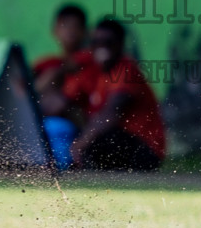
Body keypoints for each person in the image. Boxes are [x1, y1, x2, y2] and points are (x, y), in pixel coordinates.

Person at [70, 18, 165, 172]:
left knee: (99, 139)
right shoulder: (96, 71)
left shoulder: (126, 70)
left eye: (108, 42)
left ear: (120, 44)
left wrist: (80, 144)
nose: (101, 47)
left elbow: (111, 114)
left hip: (146, 148)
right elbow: (66, 99)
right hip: (123, 142)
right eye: (96, 42)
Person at [31, 3, 93, 169]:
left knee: (55, 127)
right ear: (55, 30)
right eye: (65, 25)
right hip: (47, 123)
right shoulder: (46, 64)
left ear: (85, 31)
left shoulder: (91, 62)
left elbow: (64, 105)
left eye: (76, 26)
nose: (70, 31)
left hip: (79, 128)